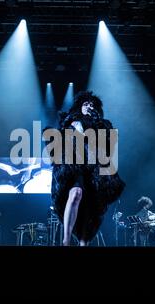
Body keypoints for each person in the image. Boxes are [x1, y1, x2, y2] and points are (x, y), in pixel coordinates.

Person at [48, 91, 125, 246]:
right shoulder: (69, 121)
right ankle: (66, 241)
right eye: (86, 104)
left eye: (92, 104)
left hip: (94, 168)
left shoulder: (101, 124)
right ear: (79, 106)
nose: (89, 106)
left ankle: (84, 243)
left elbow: (108, 145)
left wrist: (98, 124)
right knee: (75, 193)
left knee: (91, 206)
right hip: (74, 166)